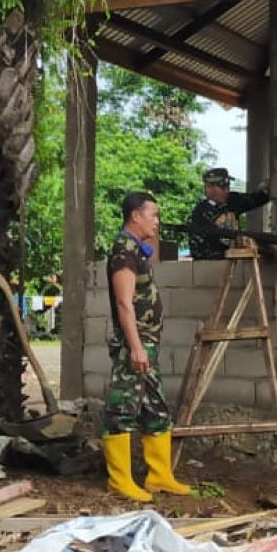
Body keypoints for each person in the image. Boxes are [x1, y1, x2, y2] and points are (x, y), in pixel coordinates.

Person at [101, 191, 192, 502]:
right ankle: (120, 480)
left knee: (155, 408)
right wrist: (136, 347)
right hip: (134, 345)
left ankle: (159, 476)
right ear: (135, 216)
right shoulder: (123, 251)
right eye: (153, 215)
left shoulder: (137, 250)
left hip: (147, 343)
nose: (157, 221)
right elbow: (124, 304)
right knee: (122, 408)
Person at [186, 167, 270, 260]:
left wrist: (265, 188)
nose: (226, 190)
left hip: (235, 259)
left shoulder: (233, 200)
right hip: (210, 263)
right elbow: (197, 251)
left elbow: (255, 199)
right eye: (222, 187)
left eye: (228, 186)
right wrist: (225, 253)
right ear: (209, 187)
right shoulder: (199, 213)